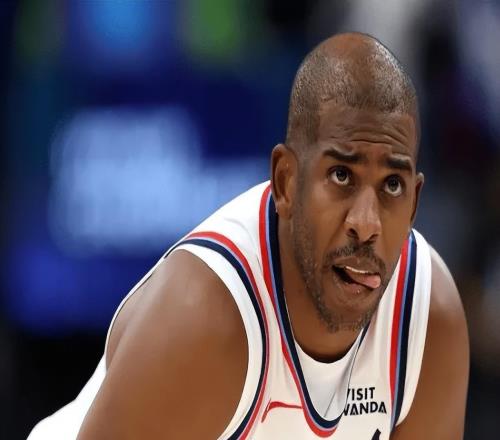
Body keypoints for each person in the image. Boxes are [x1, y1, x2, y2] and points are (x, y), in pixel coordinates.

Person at [29, 32, 469, 440]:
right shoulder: (203, 320)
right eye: (341, 175)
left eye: (392, 184)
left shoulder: (428, 320)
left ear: (415, 203)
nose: (366, 222)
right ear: (285, 182)